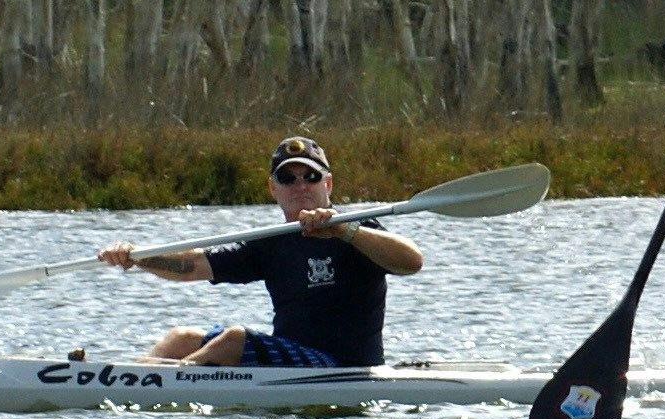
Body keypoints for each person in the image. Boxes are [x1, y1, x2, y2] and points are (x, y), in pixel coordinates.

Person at [96, 135, 423, 368]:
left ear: (328, 184)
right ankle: (127, 379)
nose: (300, 186)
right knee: (181, 338)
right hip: (292, 357)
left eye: (311, 176)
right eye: (287, 178)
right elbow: (193, 266)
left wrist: (343, 230)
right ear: (273, 188)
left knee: (234, 340)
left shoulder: (356, 226)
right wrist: (138, 257)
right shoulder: (273, 241)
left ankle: (166, 386)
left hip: (344, 366)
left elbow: (411, 262)